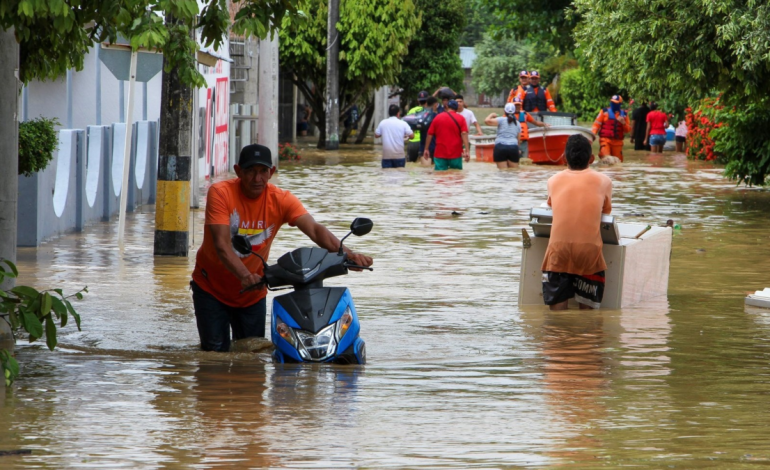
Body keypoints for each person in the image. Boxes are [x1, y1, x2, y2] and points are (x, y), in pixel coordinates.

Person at [190, 144, 373, 352]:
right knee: (214, 356)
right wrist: (245, 274)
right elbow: (222, 245)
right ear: (238, 171)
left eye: (263, 172)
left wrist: (349, 254)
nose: (257, 178)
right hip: (211, 288)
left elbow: (314, 229)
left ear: (272, 172)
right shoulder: (221, 193)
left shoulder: (281, 199)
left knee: (252, 357)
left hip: (252, 293)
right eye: (250, 171)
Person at [541, 134, 612, 311]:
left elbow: (550, 205)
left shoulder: (553, 180)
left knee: (557, 318)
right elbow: (606, 212)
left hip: (559, 250)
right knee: (587, 319)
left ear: (564, 158)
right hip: (589, 252)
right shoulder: (605, 181)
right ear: (592, 159)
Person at [422, 99, 470, 170]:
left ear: (447, 106)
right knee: (456, 176)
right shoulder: (461, 119)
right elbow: (464, 134)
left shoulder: (437, 117)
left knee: (440, 177)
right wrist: (467, 150)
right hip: (456, 154)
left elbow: (430, 134)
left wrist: (426, 149)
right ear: (457, 108)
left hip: (440, 153)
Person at [590, 95, 632, 161]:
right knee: (606, 159)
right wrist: (591, 136)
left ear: (620, 104)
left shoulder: (624, 115)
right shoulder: (604, 112)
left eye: (616, 103)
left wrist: (624, 123)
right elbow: (596, 125)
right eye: (612, 102)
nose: (613, 104)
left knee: (617, 162)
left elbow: (628, 130)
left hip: (618, 143)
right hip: (605, 140)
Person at [374, 104, 414, 168]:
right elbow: (412, 136)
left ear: (389, 113)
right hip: (399, 156)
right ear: (398, 113)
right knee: (399, 175)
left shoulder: (383, 123)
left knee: (386, 175)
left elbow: (376, 135)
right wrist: (404, 135)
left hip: (386, 156)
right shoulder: (403, 123)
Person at [483, 102, 521, 169]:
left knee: (502, 172)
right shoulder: (517, 123)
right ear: (514, 112)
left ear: (504, 111)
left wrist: (491, 115)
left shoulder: (501, 120)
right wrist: (518, 149)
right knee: (514, 172)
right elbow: (518, 139)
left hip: (500, 147)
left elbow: (486, 121)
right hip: (513, 148)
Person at [405, 91, 430, 161]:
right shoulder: (430, 111)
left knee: (410, 165)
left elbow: (407, 125)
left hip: (413, 141)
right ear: (427, 100)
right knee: (426, 166)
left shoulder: (412, 111)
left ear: (418, 100)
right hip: (426, 142)